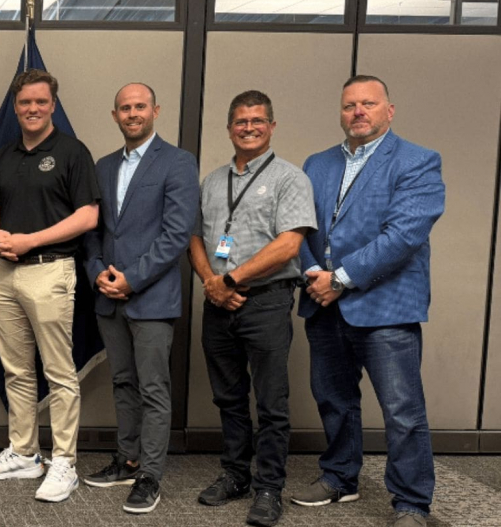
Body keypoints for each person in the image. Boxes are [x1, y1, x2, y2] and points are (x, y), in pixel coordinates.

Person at [290, 76, 444, 527]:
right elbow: (299, 228)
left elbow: (404, 235)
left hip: (386, 307)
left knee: (401, 411)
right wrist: (315, 274)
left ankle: (412, 502)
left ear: (389, 111)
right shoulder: (316, 164)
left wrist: (339, 278)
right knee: (333, 399)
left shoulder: (417, 161)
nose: (358, 111)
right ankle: (340, 477)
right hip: (323, 303)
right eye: (349, 105)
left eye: (368, 104)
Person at [0, 69, 101, 503]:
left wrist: (31, 239)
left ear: (52, 105)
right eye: (25, 102)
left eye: (41, 102)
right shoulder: (6, 154)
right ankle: (25, 452)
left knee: (59, 372)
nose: (32, 109)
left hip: (50, 270)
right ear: (15, 106)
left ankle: (65, 461)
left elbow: (87, 216)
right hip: (3, 273)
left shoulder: (71, 152)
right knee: (17, 369)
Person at [189, 90, 316, 527]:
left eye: (257, 121)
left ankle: (269, 487)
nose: (249, 128)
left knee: (271, 402)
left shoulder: (289, 178)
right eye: (241, 121)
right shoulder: (211, 181)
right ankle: (236, 475)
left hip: (266, 302)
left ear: (272, 126)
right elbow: (196, 239)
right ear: (229, 128)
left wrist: (230, 280)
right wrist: (212, 282)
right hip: (218, 303)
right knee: (227, 397)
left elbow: (289, 244)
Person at [82, 83, 199, 514]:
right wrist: (98, 275)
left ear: (156, 110)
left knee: (153, 388)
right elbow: (93, 232)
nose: (132, 113)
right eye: (125, 108)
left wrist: (131, 279)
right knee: (122, 382)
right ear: (114, 115)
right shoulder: (103, 165)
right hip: (108, 297)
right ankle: (127, 459)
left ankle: (150, 474)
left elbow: (175, 236)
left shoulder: (178, 162)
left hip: (150, 298)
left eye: (140, 107)